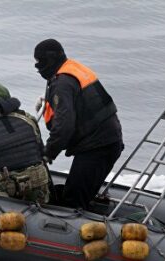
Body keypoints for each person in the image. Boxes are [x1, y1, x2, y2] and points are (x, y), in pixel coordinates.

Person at [33, 39, 123, 209]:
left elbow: (64, 126)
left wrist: (48, 153)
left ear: (50, 60)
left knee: (72, 202)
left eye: (39, 62)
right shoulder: (72, 69)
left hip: (97, 147)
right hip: (108, 139)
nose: (37, 67)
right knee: (77, 191)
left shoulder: (62, 84)